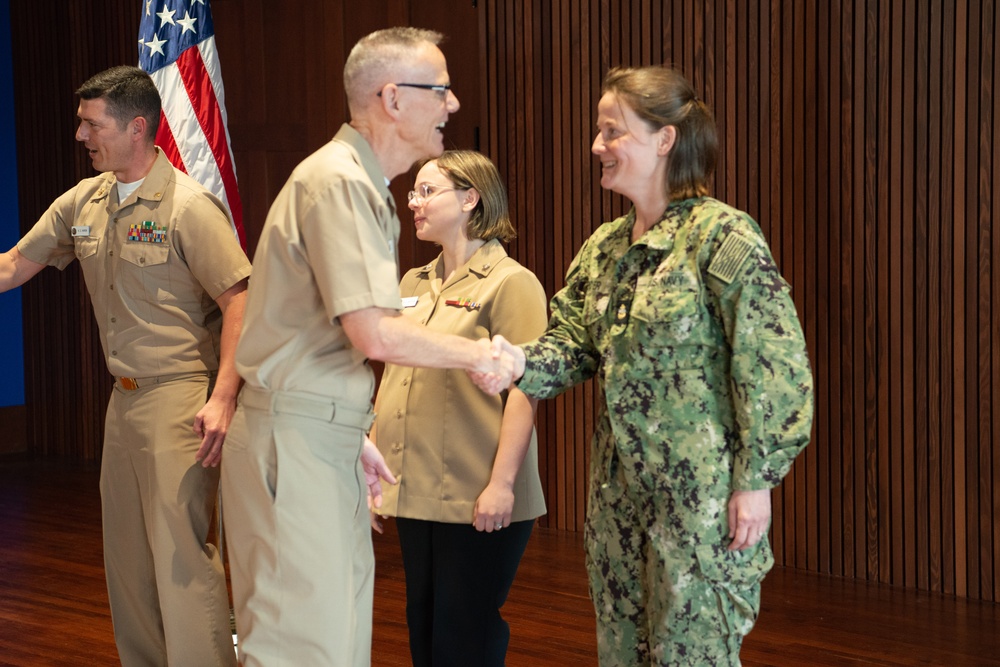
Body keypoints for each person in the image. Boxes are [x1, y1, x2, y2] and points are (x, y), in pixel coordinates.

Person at [483, 65, 815, 665]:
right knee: (622, 653)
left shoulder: (721, 236)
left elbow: (774, 365)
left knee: (695, 655)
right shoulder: (606, 247)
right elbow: (572, 347)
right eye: (598, 131)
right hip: (617, 504)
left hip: (701, 507)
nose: (596, 146)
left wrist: (756, 481)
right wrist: (514, 361)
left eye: (612, 131)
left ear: (665, 140)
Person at [220, 28, 511, 667]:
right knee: (299, 647)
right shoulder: (338, 182)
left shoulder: (354, 181)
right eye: (439, 88)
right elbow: (373, 332)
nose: (453, 104)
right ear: (392, 98)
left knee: (336, 641)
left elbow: (312, 333)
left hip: (320, 438)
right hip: (293, 447)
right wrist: (479, 355)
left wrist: (349, 426)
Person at [0, 66, 248, 666]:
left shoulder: (188, 206)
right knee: (128, 558)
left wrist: (223, 397)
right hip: (124, 399)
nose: (81, 135)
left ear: (137, 127)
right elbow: (11, 266)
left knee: (180, 555)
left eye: (92, 124)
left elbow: (241, 298)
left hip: (182, 395)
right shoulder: (83, 201)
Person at [370, 150, 548, 666]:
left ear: (470, 198)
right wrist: (376, 469)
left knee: (463, 637)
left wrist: (502, 485)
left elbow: (526, 388)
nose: (414, 204)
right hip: (416, 491)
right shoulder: (412, 283)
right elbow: (394, 378)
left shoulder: (510, 282)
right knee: (424, 632)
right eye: (413, 193)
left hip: (477, 492)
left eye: (428, 191)